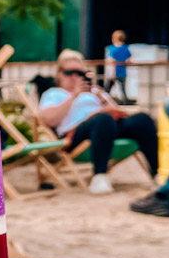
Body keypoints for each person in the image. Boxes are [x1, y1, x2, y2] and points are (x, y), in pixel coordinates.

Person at [38, 49, 158, 195]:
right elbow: (49, 120)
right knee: (102, 119)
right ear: (59, 73)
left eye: (79, 73)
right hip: (75, 134)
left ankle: (158, 175)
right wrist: (74, 95)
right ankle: (99, 176)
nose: (74, 77)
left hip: (106, 129)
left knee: (142, 119)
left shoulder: (94, 92)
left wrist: (102, 98)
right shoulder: (53, 94)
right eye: (68, 73)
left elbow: (116, 111)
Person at [104, 30, 131, 103]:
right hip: (122, 72)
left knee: (107, 89)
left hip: (113, 72)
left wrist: (113, 73)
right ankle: (125, 102)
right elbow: (128, 60)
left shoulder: (112, 49)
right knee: (123, 90)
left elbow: (111, 61)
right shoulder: (126, 48)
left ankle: (104, 101)